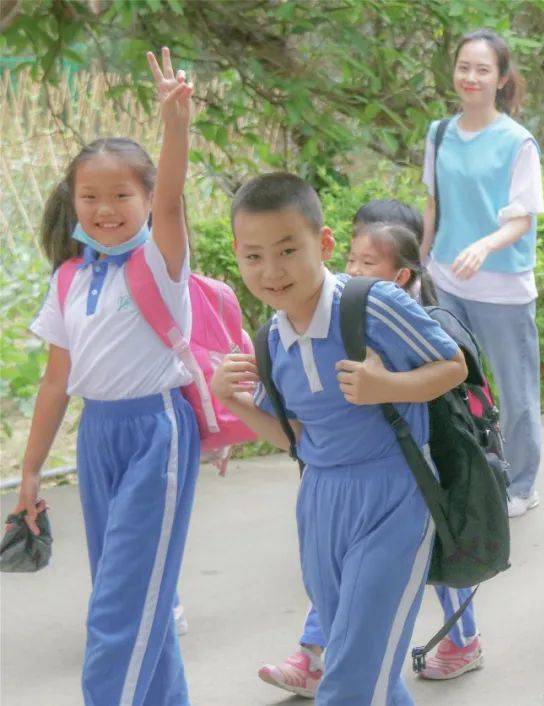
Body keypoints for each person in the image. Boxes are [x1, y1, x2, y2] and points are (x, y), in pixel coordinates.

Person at [211, 173, 468, 705]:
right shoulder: (270, 339)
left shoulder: (373, 304)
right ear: (237, 255)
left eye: (288, 250)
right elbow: (295, 438)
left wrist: (386, 386)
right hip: (320, 504)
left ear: (324, 243)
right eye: (254, 256)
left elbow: (453, 365)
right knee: (367, 669)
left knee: (351, 677)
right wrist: (231, 401)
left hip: (395, 494)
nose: (271, 270)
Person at [11, 49, 198, 705]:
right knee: (136, 596)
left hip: (156, 431)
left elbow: (172, 199)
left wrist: (175, 125)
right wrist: (30, 472)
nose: (105, 208)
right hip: (98, 437)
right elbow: (55, 383)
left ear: (146, 199)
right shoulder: (68, 278)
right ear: (74, 203)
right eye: (90, 196)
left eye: (122, 195)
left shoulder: (161, 261)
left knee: (120, 606)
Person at [420, 28, 544, 517]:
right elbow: (433, 204)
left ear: (502, 78)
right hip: (446, 282)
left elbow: (522, 218)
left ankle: (522, 484)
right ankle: (462, 475)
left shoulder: (517, 142)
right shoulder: (439, 133)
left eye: (483, 70)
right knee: (448, 384)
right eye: (464, 67)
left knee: (515, 393)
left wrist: (484, 245)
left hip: (502, 288)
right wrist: (421, 263)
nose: (471, 77)